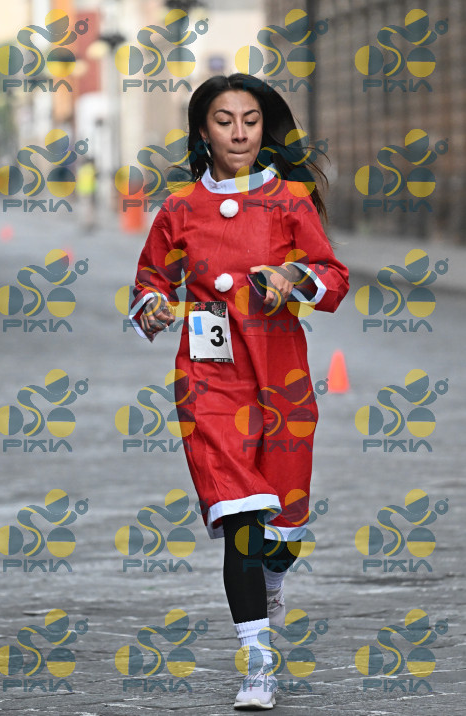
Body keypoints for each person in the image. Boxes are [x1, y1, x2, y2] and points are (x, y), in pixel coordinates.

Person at [130, 73, 349, 710]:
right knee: (241, 518)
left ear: (263, 128)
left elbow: (333, 278)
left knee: (283, 531)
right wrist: (152, 306)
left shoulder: (289, 200)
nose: (240, 134)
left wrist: (292, 276)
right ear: (203, 130)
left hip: (280, 375)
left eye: (251, 121)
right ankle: (257, 663)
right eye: (224, 121)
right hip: (209, 377)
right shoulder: (179, 210)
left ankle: (274, 576)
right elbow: (151, 280)